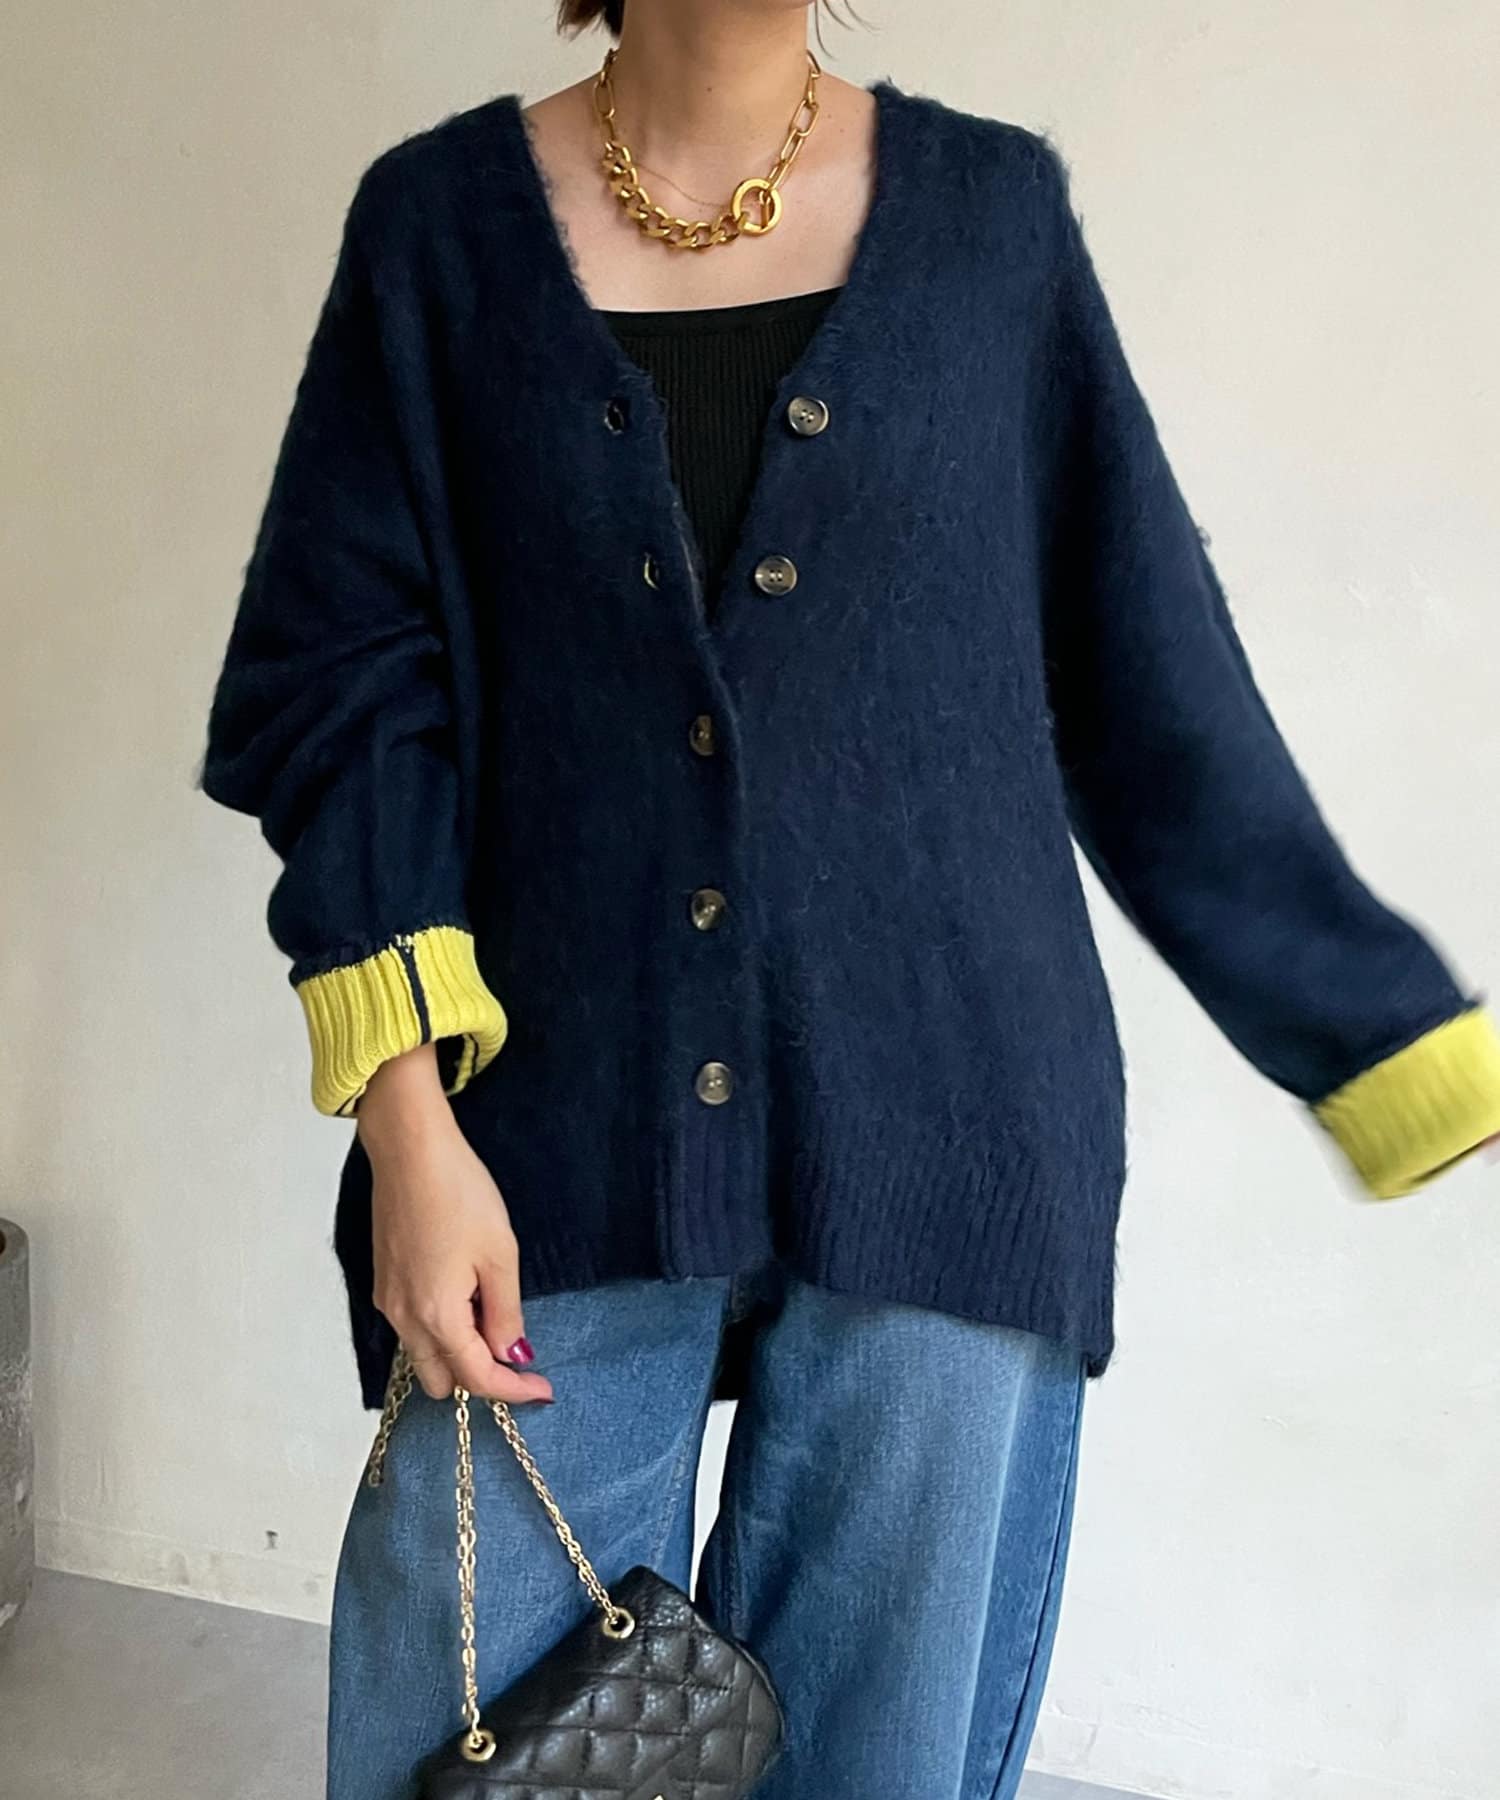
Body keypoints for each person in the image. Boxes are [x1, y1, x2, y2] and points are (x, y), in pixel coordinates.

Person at [198, 3, 1500, 1797]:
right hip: (538, 1132)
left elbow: (1148, 671)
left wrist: (1396, 1043)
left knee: (880, 1758)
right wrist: (408, 1122)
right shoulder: (437, 233)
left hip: (952, 1125)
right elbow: (341, 689)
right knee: (478, 1735)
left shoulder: (990, 222)